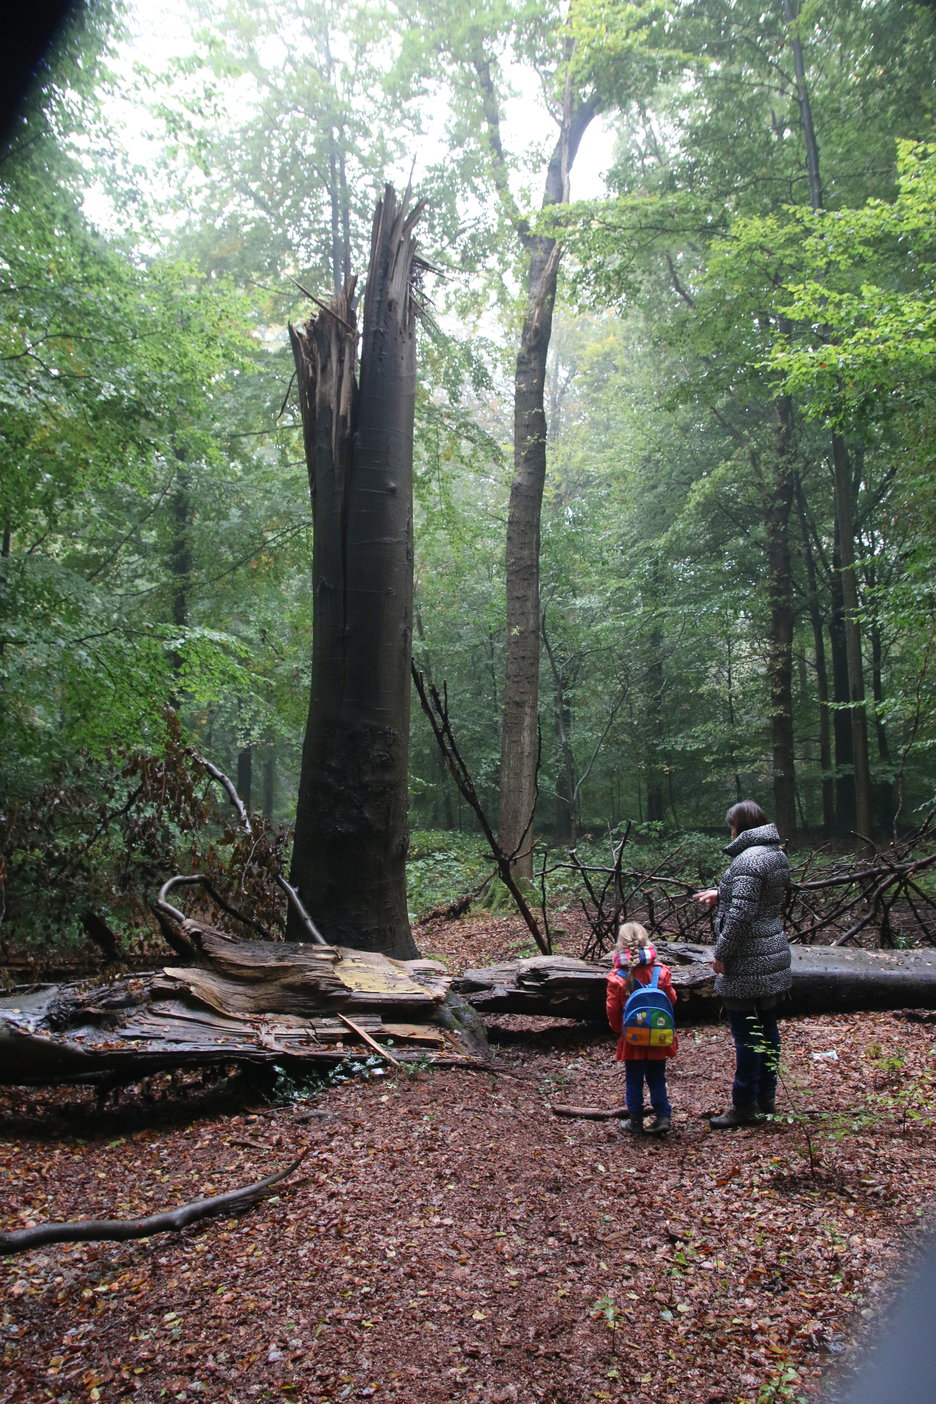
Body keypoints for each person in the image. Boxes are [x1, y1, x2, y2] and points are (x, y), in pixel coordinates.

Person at [694, 799, 792, 1128]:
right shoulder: (774, 853)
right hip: (772, 951)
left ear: (739, 826)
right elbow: (757, 896)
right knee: (767, 1028)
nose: (729, 830)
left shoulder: (749, 860)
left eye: (730, 825)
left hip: (749, 958)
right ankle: (766, 1099)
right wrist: (720, 893)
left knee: (747, 1035)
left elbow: (741, 916)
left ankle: (743, 1106)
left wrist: (722, 953)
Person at [606, 921, 678, 1135]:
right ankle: (663, 1116)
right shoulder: (661, 972)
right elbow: (671, 1000)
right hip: (658, 1035)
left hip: (632, 1038)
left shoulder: (617, 977)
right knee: (657, 1077)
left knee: (634, 1079)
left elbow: (612, 1008)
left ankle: (635, 1120)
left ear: (621, 944)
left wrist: (621, 1030)